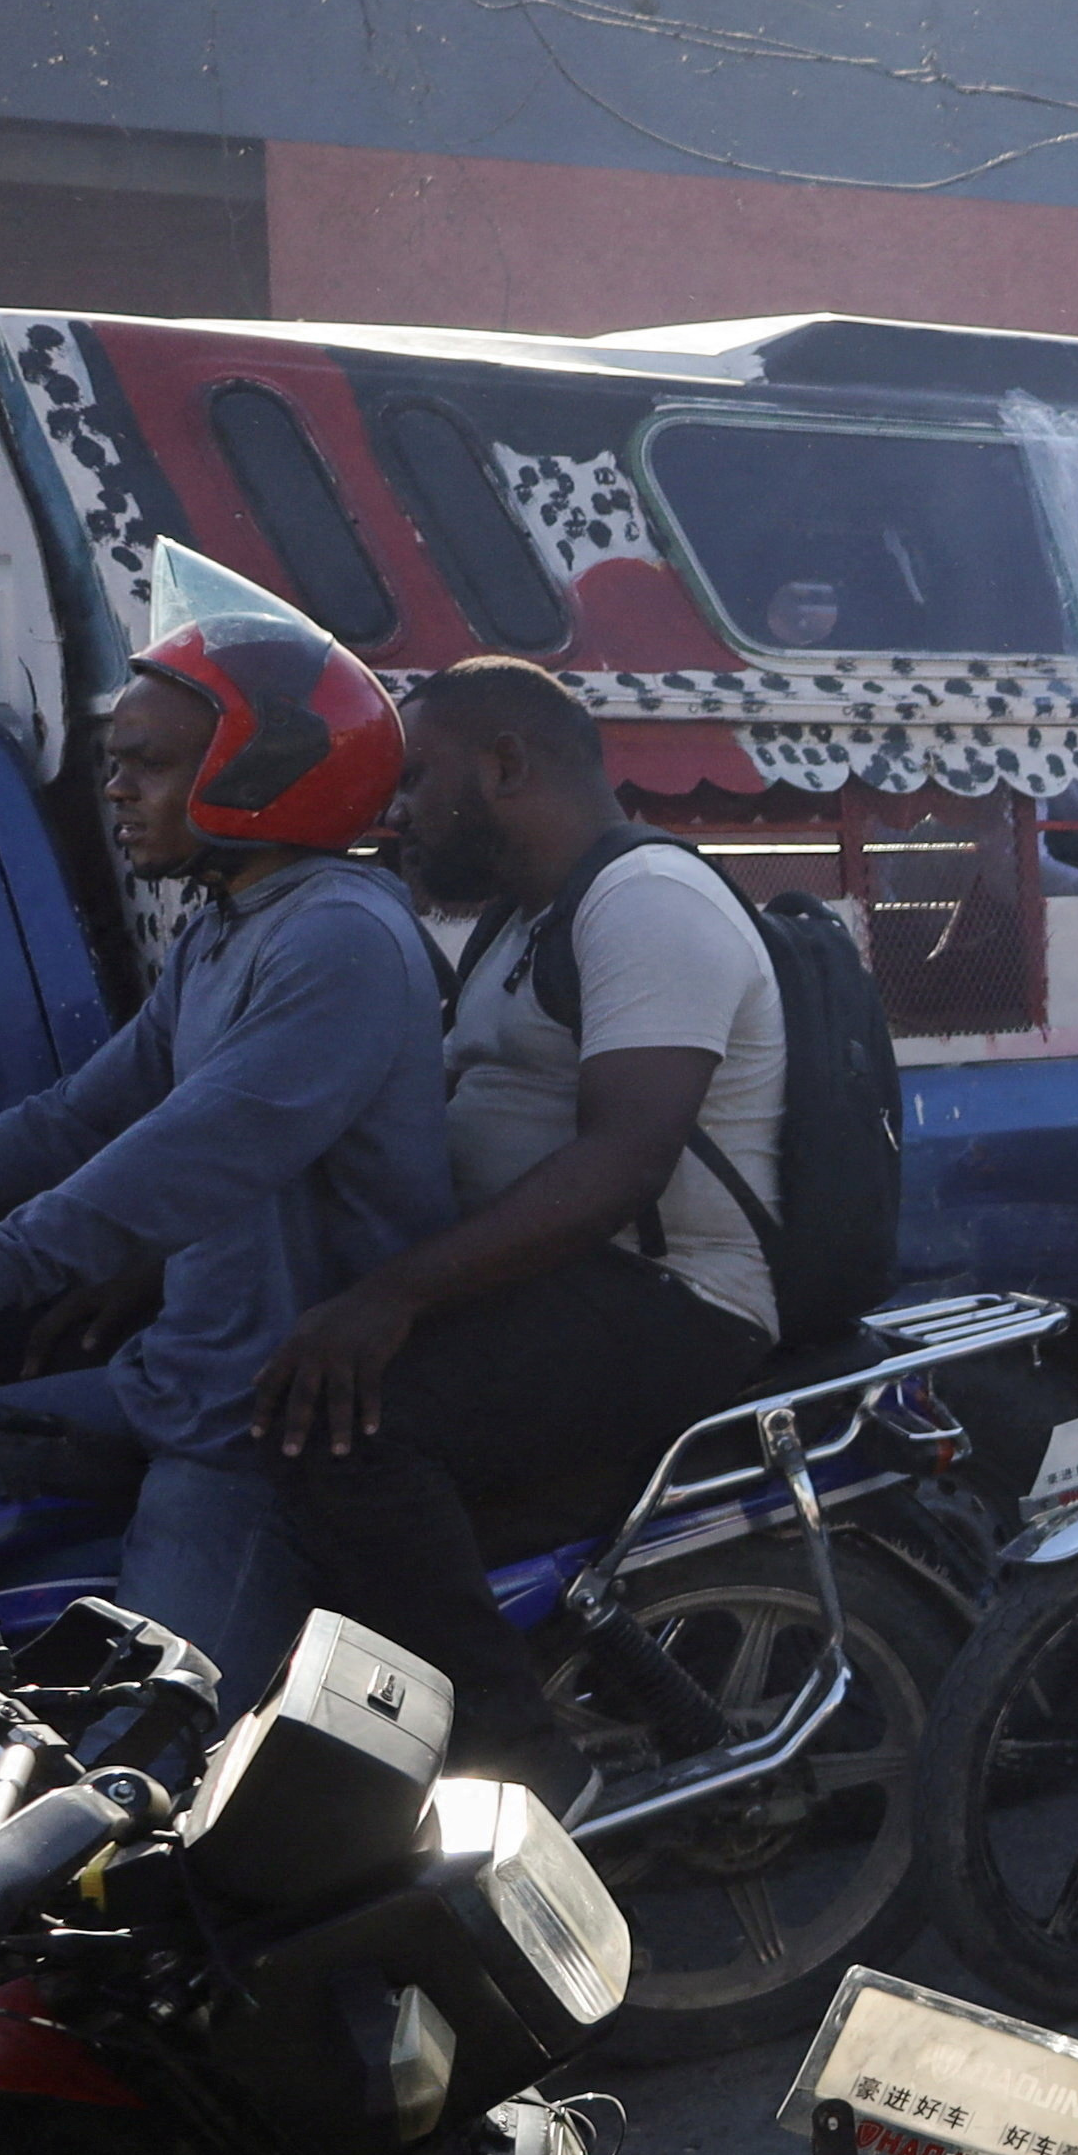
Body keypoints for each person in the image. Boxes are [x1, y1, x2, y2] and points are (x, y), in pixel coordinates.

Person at [0, 549, 451, 1702]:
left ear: (266, 770)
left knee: (139, 1755)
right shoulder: (230, 927)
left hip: (257, 1431)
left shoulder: (339, 940)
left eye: (148, 765)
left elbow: (185, 1157)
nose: (114, 790)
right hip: (175, 1379)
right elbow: (73, 1117)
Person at [250, 655, 789, 1793]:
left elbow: (622, 1163)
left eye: (415, 777)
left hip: (674, 1296)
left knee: (346, 1428)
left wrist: (387, 1298)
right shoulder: (519, 918)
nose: (391, 811)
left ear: (504, 764)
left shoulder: (646, 900)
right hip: (563, 1284)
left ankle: (523, 1763)